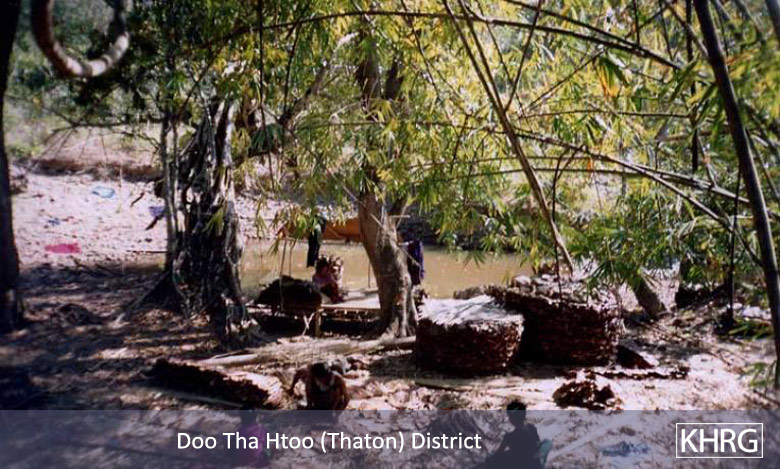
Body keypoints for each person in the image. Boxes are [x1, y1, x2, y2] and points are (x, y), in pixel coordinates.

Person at [482, 401, 547, 469]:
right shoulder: (532, 428)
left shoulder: (510, 437)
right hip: (534, 464)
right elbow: (536, 444)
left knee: (491, 461)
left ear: (511, 419)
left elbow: (498, 454)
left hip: (521, 464)